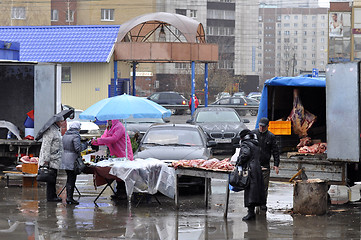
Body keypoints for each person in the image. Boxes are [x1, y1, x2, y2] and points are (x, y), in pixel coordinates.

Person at [92, 120, 133, 199]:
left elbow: (114, 138)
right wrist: (96, 142)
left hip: (124, 154)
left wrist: (99, 140)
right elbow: (104, 137)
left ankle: (123, 192)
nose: (109, 121)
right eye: (108, 120)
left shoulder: (119, 126)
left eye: (110, 120)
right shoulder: (109, 128)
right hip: (116, 154)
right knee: (117, 174)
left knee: (122, 174)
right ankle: (118, 191)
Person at [237, 129, 266, 221]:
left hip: (250, 169)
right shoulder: (255, 143)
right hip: (256, 168)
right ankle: (252, 212)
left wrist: (239, 162)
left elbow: (245, 154)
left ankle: (250, 213)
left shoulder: (246, 144)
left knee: (250, 190)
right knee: (255, 190)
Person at [252, 117, 280, 211]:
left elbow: (275, 151)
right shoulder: (253, 134)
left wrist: (276, 164)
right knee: (254, 185)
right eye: (260, 126)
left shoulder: (271, 136)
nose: (261, 128)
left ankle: (263, 203)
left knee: (264, 186)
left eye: (263, 127)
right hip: (254, 164)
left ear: (268, 126)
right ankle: (253, 203)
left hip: (265, 165)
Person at [38, 117, 64, 202]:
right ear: (56, 122)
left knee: (53, 177)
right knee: (50, 178)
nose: (63, 122)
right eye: (61, 121)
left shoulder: (56, 130)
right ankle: (51, 197)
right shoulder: (50, 131)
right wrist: (46, 160)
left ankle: (53, 195)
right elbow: (46, 146)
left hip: (55, 158)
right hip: (51, 159)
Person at [61, 121, 85, 205]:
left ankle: (69, 197)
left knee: (69, 178)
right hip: (72, 160)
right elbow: (78, 148)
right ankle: (69, 198)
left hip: (65, 159)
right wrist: (85, 145)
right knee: (72, 179)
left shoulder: (65, 135)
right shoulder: (75, 136)